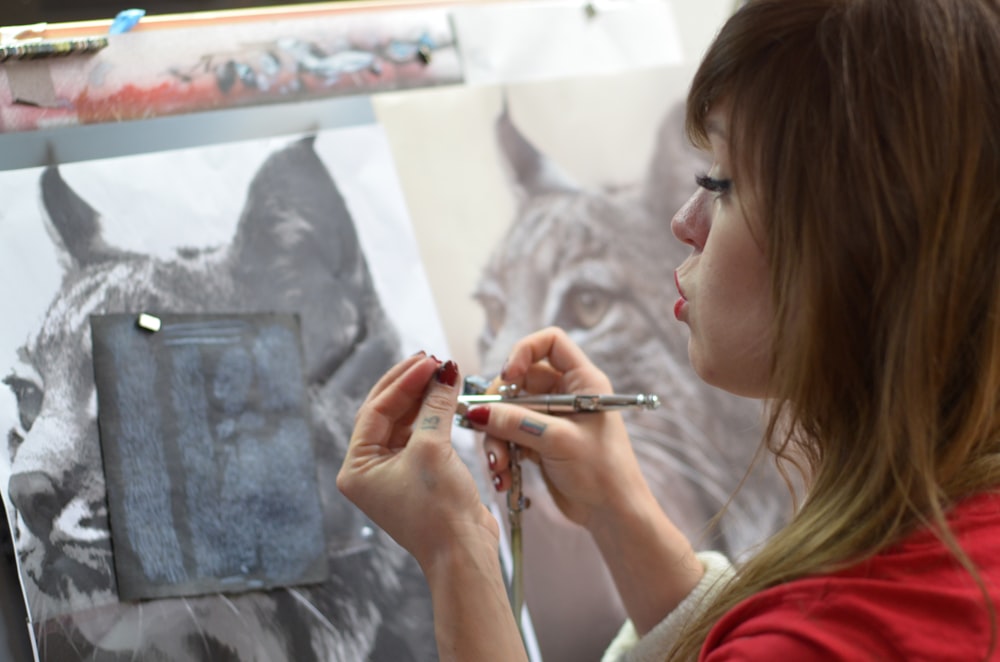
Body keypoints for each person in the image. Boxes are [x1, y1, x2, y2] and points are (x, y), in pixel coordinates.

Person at [337, 0, 1000, 659]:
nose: (683, 223)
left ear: (853, 237)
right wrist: (617, 509)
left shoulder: (828, 634)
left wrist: (458, 551)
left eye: (720, 182)